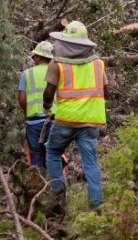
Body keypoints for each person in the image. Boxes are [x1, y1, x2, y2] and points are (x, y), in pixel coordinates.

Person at [42, 20, 107, 212]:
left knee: (53, 152)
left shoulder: (57, 63)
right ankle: (96, 205)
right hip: (90, 121)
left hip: (66, 120)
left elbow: (48, 93)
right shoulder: (98, 64)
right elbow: (106, 91)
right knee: (90, 161)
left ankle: (58, 200)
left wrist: (47, 107)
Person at [17, 41, 54, 171]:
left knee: (36, 156)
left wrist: (28, 112)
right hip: (54, 120)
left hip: (33, 122)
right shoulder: (58, 73)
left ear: (38, 57)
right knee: (53, 155)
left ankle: (37, 187)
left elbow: (22, 100)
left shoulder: (26, 74)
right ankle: (56, 187)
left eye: (34, 57)